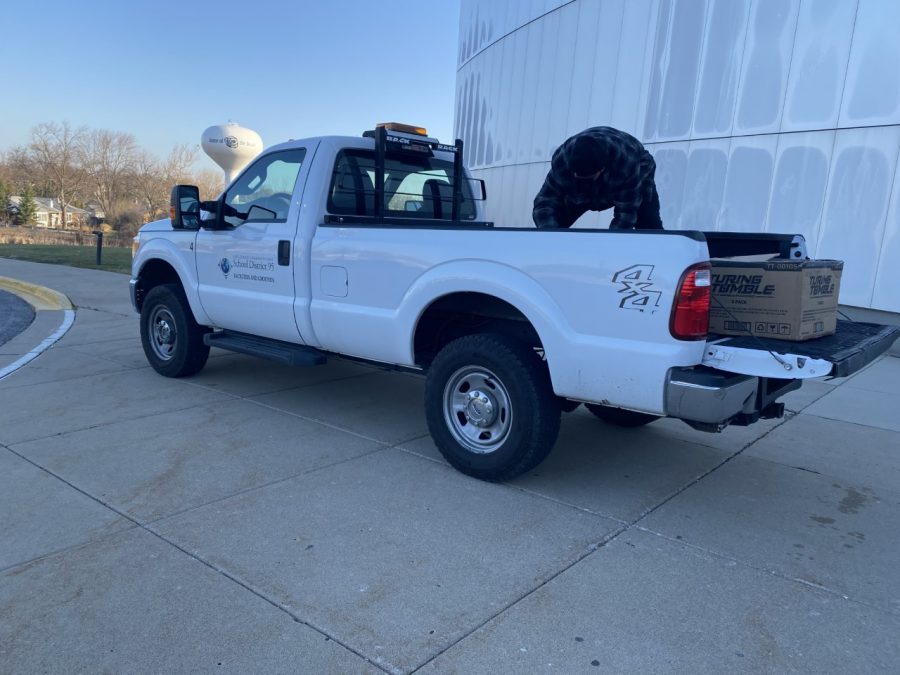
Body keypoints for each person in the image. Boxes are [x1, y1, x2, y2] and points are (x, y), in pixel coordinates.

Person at [532, 126, 663, 230]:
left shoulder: (626, 163)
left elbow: (626, 214)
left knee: (647, 222)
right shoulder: (562, 162)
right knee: (554, 219)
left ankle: (659, 255)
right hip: (578, 185)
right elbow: (544, 203)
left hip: (636, 167)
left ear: (602, 169)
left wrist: (607, 249)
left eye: (589, 177)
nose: (585, 182)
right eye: (579, 176)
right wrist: (551, 235)